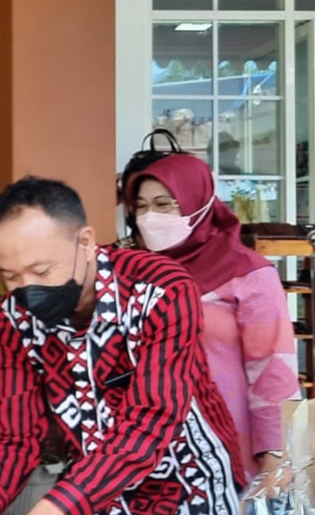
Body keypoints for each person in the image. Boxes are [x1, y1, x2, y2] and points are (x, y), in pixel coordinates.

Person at [0, 176, 246, 515]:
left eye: (41, 270)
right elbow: (15, 437)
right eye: (10, 276)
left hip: (189, 500)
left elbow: (150, 423)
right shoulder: (13, 322)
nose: (27, 290)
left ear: (86, 242)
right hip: (91, 504)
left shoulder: (159, 290)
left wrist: (52, 512)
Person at [120, 153, 300, 480]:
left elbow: (273, 370)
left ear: (198, 204)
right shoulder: (133, 272)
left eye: (164, 204)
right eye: (142, 206)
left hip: (229, 445)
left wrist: (275, 455)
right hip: (149, 451)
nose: (150, 217)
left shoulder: (248, 273)